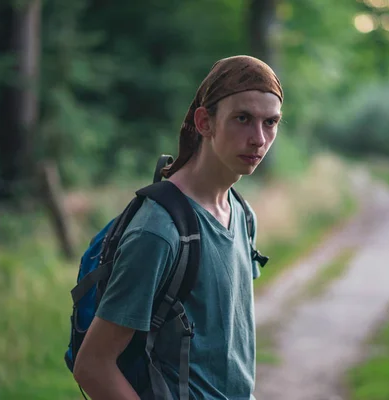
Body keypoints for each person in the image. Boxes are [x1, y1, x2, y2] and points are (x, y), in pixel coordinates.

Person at [72, 55, 283, 400]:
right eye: (242, 119)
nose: (259, 138)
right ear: (205, 122)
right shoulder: (158, 232)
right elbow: (93, 366)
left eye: (270, 122)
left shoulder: (241, 213)